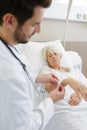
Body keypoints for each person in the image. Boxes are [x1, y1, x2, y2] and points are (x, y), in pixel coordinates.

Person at [0, 1, 86, 130]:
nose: (39, 30)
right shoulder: (9, 73)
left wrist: (37, 78)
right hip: (63, 110)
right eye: (35, 24)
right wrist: (51, 100)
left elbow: (22, 71)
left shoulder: (10, 47)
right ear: (10, 20)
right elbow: (25, 127)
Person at [40, 45, 87, 130]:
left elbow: (84, 84)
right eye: (50, 56)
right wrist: (67, 81)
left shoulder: (73, 70)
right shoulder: (47, 71)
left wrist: (79, 92)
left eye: (55, 54)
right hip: (65, 109)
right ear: (47, 60)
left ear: (60, 56)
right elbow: (49, 88)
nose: (53, 57)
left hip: (83, 107)